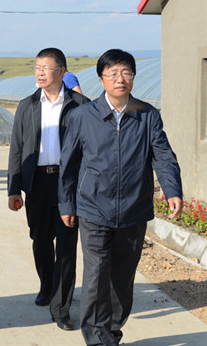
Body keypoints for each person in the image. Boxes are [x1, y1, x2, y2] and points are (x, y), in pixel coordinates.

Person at [59, 49, 182, 346]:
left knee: (123, 277)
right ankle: (96, 338)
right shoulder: (82, 116)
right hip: (93, 207)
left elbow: (163, 156)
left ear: (133, 77)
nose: (120, 79)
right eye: (112, 73)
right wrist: (67, 203)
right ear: (101, 79)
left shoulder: (147, 115)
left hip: (134, 209)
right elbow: (69, 164)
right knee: (96, 275)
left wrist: (172, 189)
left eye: (126, 72)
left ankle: (112, 331)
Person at [7, 48, 89, 331]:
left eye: (46, 67)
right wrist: (14, 188)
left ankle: (61, 307)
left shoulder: (81, 105)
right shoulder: (27, 105)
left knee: (66, 246)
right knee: (40, 240)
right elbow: (17, 148)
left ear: (62, 71)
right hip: (38, 183)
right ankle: (47, 285)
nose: (40, 72)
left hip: (69, 184)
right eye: (37, 67)